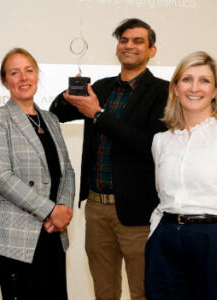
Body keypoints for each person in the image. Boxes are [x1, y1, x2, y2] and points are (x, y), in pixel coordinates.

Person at [50, 18, 169, 300]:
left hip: (138, 213)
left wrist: (98, 115)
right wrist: (72, 92)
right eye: (124, 40)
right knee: (104, 293)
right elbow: (57, 113)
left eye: (138, 41)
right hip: (96, 208)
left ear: (152, 50)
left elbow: (150, 145)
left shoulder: (163, 91)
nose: (129, 46)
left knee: (143, 292)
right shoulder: (101, 88)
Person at [144, 51, 217, 300]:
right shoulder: (161, 141)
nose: (194, 88)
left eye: (204, 81)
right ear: (175, 87)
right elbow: (162, 199)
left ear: (216, 90)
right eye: (186, 79)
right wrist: (155, 236)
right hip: (166, 247)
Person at [0, 48, 75, 300]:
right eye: (14, 72)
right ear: (4, 81)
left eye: (29, 70)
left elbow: (67, 171)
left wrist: (64, 209)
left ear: (37, 75)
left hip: (53, 232)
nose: (23, 78)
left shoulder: (51, 120)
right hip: (18, 237)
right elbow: (1, 176)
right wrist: (51, 211)